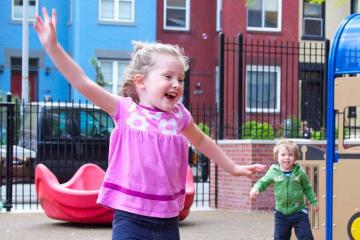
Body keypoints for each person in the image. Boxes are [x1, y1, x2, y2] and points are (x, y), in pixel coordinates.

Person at [34, 7, 266, 240]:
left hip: (168, 221)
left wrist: (233, 168)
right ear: (141, 81)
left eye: (181, 79)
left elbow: (203, 141)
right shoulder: (125, 110)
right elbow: (82, 82)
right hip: (130, 218)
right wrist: (53, 48)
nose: (176, 84)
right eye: (168, 77)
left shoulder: (179, 116)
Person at [250, 139, 318, 240]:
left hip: (299, 212)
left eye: (290, 155)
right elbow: (263, 182)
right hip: (281, 213)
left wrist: (313, 202)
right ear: (277, 157)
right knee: (280, 237)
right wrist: (255, 189)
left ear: (295, 157)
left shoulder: (299, 172)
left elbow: (307, 187)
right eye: (283, 155)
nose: (286, 158)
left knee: (306, 236)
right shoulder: (273, 171)